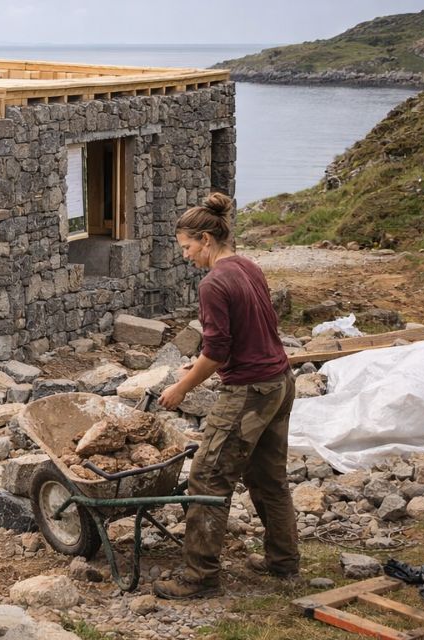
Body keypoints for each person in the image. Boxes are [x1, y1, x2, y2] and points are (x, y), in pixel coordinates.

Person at [152, 192, 299, 600]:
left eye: (187, 248)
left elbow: (218, 351)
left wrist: (182, 387)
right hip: (280, 380)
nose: (185, 256)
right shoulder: (247, 266)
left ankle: (199, 577)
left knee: (208, 477)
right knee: (268, 477)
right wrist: (197, 363)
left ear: (205, 239)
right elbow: (242, 333)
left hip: (250, 389)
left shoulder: (213, 282)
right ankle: (283, 562)